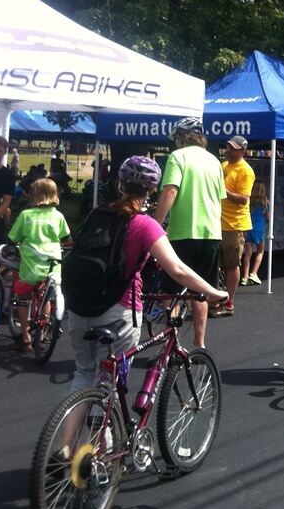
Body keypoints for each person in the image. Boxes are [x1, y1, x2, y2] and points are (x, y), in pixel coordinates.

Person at [68, 156, 228, 392]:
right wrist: (214, 292)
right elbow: (177, 270)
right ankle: (104, 428)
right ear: (152, 190)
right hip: (118, 310)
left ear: (120, 184)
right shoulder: (145, 224)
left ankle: (69, 429)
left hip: (79, 307)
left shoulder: (96, 214)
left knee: (83, 375)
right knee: (107, 384)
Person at [153, 117, 226, 349]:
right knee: (201, 291)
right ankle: (199, 345)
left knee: (171, 292)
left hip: (183, 232)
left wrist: (156, 223)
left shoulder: (178, 157)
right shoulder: (215, 161)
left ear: (182, 136)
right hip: (211, 233)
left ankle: (171, 345)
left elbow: (170, 191)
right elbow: (219, 199)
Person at [6, 178, 71, 352]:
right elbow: (66, 239)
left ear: (34, 195)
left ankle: (26, 338)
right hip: (53, 267)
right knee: (46, 298)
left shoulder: (26, 216)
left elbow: (13, 238)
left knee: (23, 298)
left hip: (31, 267)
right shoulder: (58, 216)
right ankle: (42, 332)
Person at [213, 135, 255, 317]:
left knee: (231, 265)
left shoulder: (246, 171)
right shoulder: (223, 166)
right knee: (215, 264)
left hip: (234, 225)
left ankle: (229, 303)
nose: (228, 150)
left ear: (242, 150)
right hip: (216, 222)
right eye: (228, 146)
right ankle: (215, 299)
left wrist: (223, 191)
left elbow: (243, 199)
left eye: (232, 148)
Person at [241, 181, 270, 286]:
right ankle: (254, 273)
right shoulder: (266, 203)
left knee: (248, 253)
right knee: (260, 251)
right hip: (259, 229)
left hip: (249, 228)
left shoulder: (249, 201)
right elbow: (268, 218)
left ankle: (245, 276)